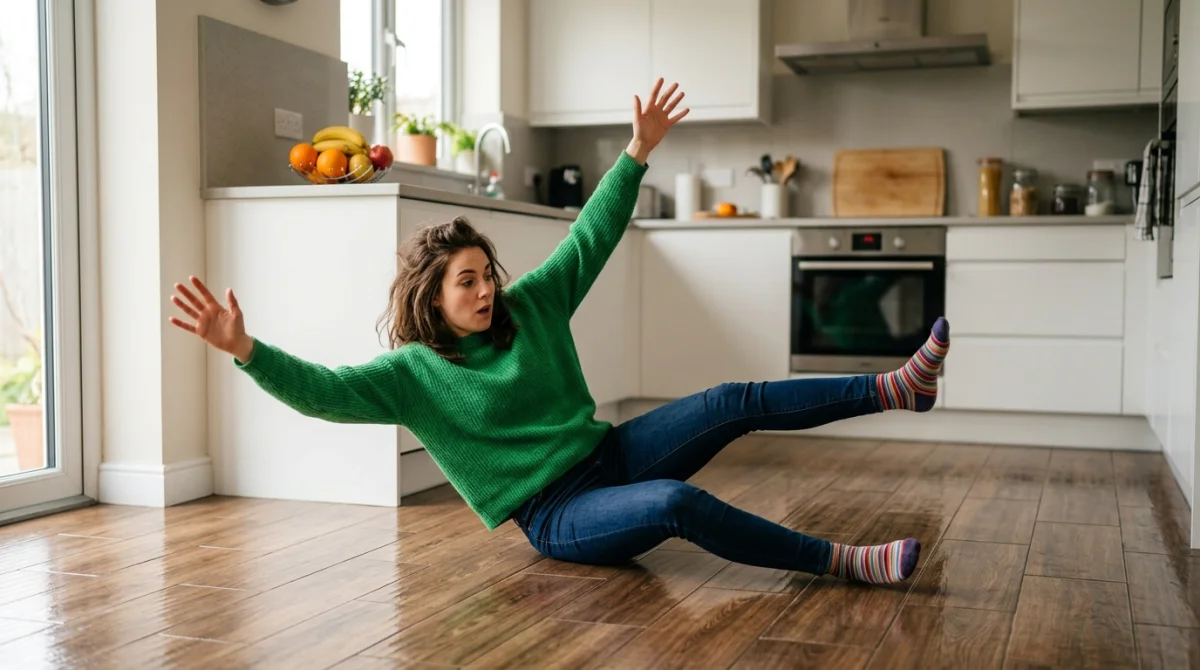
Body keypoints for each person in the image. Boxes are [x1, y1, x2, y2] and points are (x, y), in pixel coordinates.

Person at [169, 78, 950, 586]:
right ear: (433, 300)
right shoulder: (413, 372)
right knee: (677, 502)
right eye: (465, 282)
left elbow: (590, 238)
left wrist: (638, 151)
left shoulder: (530, 306)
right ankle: (845, 562)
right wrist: (246, 350)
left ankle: (895, 386)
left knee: (728, 398)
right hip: (555, 515)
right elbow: (326, 395)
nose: (484, 290)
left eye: (486, 274)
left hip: (606, 453)